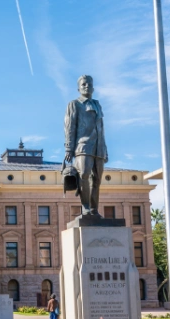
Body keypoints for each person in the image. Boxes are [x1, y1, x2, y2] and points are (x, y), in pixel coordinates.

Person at [64, 75, 109, 216]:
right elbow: (69, 127)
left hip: (99, 147)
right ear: (79, 88)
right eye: (83, 84)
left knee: (97, 179)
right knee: (83, 175)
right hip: (83, 145)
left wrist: (105, 150)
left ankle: (94, 210)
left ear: (93, 88)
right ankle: (86, 207)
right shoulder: (74, 104)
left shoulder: (97, 104)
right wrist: (69, 147)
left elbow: (101, 128)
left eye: (89, 84)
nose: (87, 86)